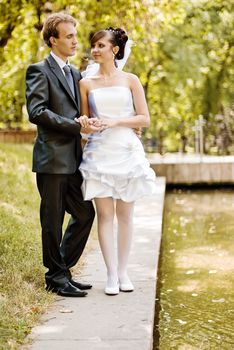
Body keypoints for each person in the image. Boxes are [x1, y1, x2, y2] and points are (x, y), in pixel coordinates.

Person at [25, 13, 103, 297]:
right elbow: (37, 112)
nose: (74, 41)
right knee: (53, 219)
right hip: (52, 159)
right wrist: (75, 126)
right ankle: (55, 278)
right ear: (52, 39)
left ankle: (61, 271)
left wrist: (95, 123)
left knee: (84, 213)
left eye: (74, 35)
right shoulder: (38, 70)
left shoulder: (74, 73)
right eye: (68, 36)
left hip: (74, 159)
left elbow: (81, 111)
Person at [78, 27, 156, 295]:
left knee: (125, 215)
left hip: (125, 151)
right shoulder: (86, 84)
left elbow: (144, 118)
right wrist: (88, 124)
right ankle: (110, 274)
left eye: (100, 45)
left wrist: (116, 121)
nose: (95, 50)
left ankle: (124, 272)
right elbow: (84, 125)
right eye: (93, 45)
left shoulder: (131, 80)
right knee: (105, 215)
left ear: (114, 49)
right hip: (99, 154)